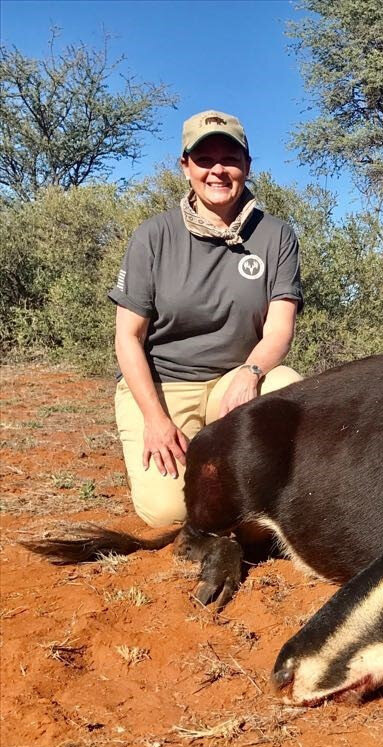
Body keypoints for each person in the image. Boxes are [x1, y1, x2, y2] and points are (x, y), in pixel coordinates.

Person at [109, 109, 303, 527]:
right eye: (204, 159)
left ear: (248, 166)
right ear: (186, 167)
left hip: (234, 384)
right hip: (163, 388)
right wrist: (155, 420)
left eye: (230, 159)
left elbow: (279, 327)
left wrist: (250, 374)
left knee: (286, 386)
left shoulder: (276, 236)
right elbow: (128, 337)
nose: (218, 170)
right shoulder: (153, 236)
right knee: (170, 515)